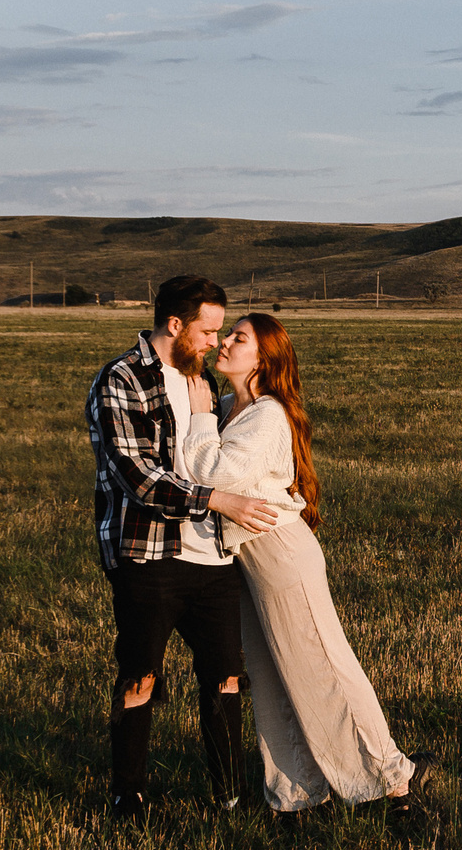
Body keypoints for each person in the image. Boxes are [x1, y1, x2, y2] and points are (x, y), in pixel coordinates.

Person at [186, 311, 437, 817]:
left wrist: (198, 418)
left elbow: (210, 472)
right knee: (271, 675)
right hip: (245, 557)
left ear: (265, 359)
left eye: (240, 338)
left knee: (321, 666)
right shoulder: (233, 405)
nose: (225, 343)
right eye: (227, 333)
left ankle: (390, 780)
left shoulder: (267, 415)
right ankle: (296, 795)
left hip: (279, 552)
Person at [84, 275, 280, 820]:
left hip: (213, 559)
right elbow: (137, 477)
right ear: (176, 326)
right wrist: (218, 499)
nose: (219, 342)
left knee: (225, 677)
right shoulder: (119, 379)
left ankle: (229, 796)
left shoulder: (207, 392)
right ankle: (128, 794)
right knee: (140, 674)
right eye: (210, 330)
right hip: (147, 558)